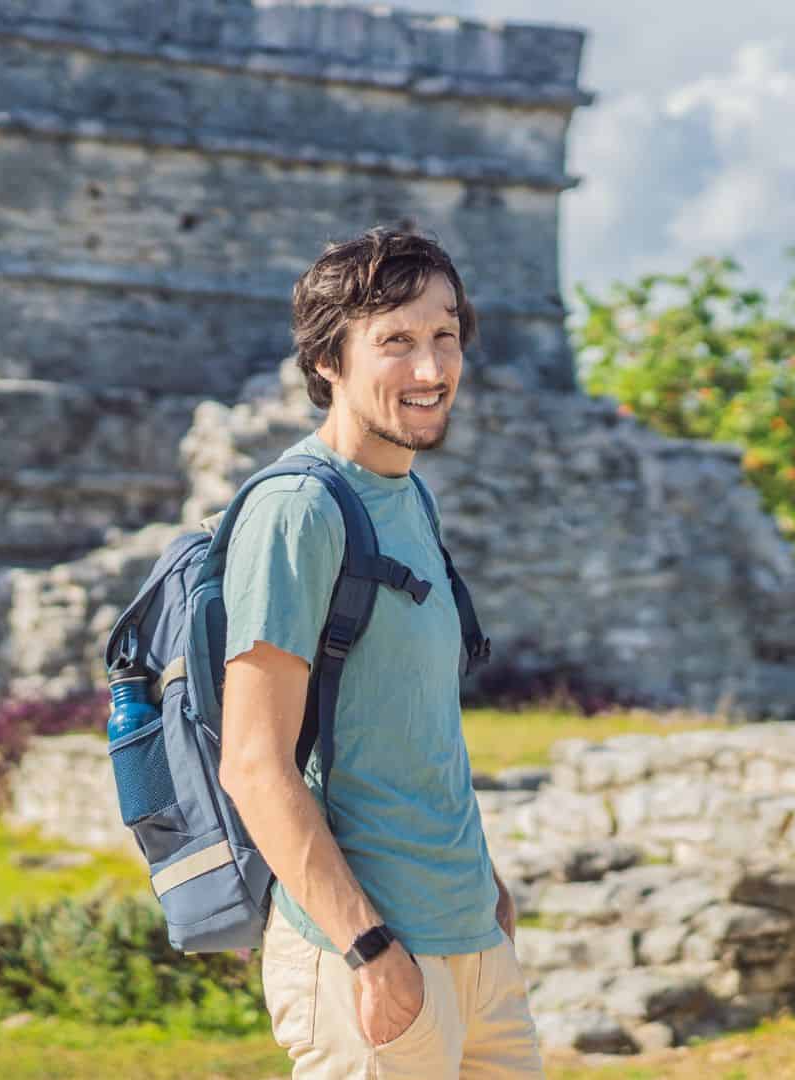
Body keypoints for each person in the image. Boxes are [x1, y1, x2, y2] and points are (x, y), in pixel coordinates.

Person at [216, 228, 541, 1079]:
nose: (431, 370)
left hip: (472, 939)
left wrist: (485, 885)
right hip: (370, 959)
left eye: (444, 335)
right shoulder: (299, 511)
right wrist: (368, 946)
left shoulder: (408, 497)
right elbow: (253, 763)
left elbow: (402, 718)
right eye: (395, 341)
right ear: (329, 359)